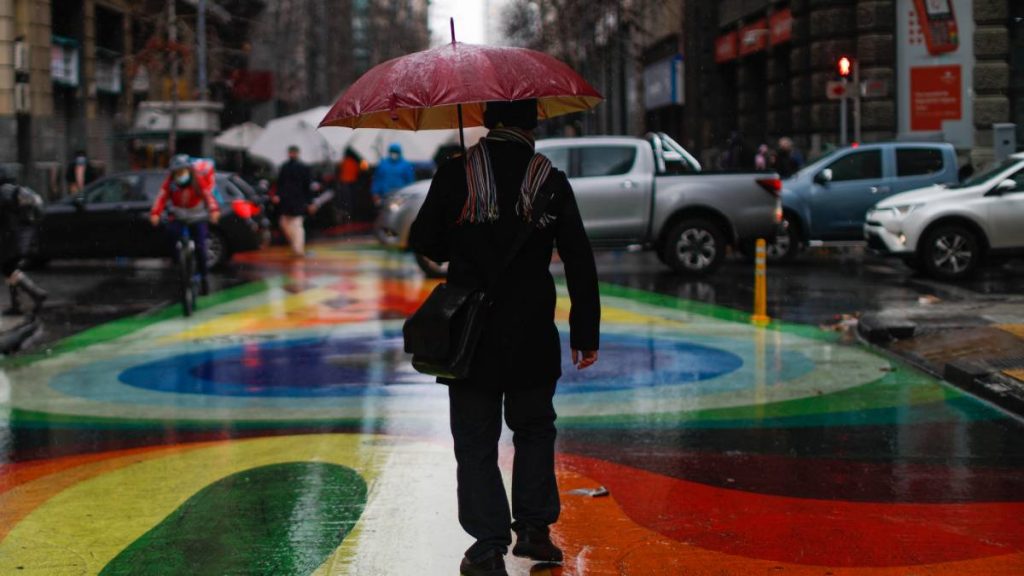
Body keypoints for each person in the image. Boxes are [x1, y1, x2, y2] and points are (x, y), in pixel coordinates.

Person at [409, 99, 600, 576]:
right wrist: (585, 331)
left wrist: (464, 235)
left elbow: (426, 243)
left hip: (471, 334)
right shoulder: (550, 180)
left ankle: (487, 546)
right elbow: (578, 257)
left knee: (475, 438)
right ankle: (535, 531)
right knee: (534, 428)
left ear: (486, 120)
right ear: (533, 123)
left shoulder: (457, 173)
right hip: (532, 328)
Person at [149, 155, 221, 294]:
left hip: (197, 216)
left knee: (200, 246)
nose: (179, 175)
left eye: (182, 172)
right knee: (171, 235)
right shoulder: (170, 183)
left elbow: (209, 197)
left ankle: (204, 276)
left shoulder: (198, 181)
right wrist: (155, 213)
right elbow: (161, 197)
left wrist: (214, 211)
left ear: (189, 170)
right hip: (179, 216)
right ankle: (179, 264)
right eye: (176, 172)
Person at [0, 168, 47, 316]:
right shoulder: (13, 191)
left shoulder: (3, 193)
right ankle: (17, 305)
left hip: (8, 238)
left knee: (9, 269)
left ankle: (36, 294)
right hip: (16, 236)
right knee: (9, 269)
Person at [272, 145, 317, 257]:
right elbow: (280, 184)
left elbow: (307, 186)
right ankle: (297, 247)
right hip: (289, 202)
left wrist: (310, 202)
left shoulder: (302, 168)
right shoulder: (285, 167)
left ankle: (298, 249)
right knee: (287, 224)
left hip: (297, 202)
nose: (292, 154)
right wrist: (278, 195)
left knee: (296, 225)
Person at [370, 142, 415, 207]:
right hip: (385, 195)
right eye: (392, 151)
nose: (394, 154)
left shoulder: (406, 165)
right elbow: (377, 179)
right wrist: (375, 193)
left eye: (396, 152)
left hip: (401, 196)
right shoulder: (383, 164)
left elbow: (410, 181)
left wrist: (409, 195)